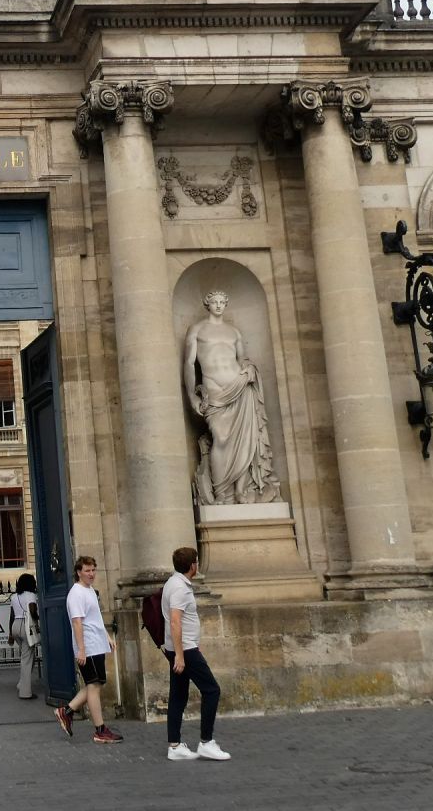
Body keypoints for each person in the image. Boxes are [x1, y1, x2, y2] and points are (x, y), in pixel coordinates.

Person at [185, 290, 281, 505]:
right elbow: (189, 364)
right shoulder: (197, 329)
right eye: (214, 302)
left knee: (246, 442)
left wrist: (249, 370)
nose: (218, 305)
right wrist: (191, 395)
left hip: (240, 388)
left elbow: (242, 359)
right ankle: (220, 492)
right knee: (221, 439)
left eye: (222, 302)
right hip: (215, 392)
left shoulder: (234, 332)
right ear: (206, 304)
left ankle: (240, 491)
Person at [161, 547, 229, 761]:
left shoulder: (172, 583)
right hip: (185, 649)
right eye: (196, 562)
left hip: (180, 648)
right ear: (193, 565)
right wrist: (181, 655)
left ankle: (175, 746)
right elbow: (175, 621)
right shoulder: (180, 588)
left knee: (178, 696)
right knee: (212, 690)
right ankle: (206, 742)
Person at [53, 556, 122, 744]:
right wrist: (81, 650)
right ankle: (100, 730)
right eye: (87, 571)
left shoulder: (90, 590)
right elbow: (77, 623)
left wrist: (107, 637)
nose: (91, 574)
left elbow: (96, 618)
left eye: (93, 570)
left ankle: (66, 711)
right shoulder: (76, 594)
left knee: (96, 684)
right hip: (88, 646)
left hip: (96, 643)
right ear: (78, 572)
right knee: (93, 685)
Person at [9, 573, 41, 699]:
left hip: (15, 626)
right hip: (26, 627)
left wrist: (10, 634)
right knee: (27, 660)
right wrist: (38, 619)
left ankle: (21, 684)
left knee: (26, 657)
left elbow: (11, 616)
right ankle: (25, 693)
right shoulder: (31, 595)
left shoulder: (14, 597)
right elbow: (32, 611)